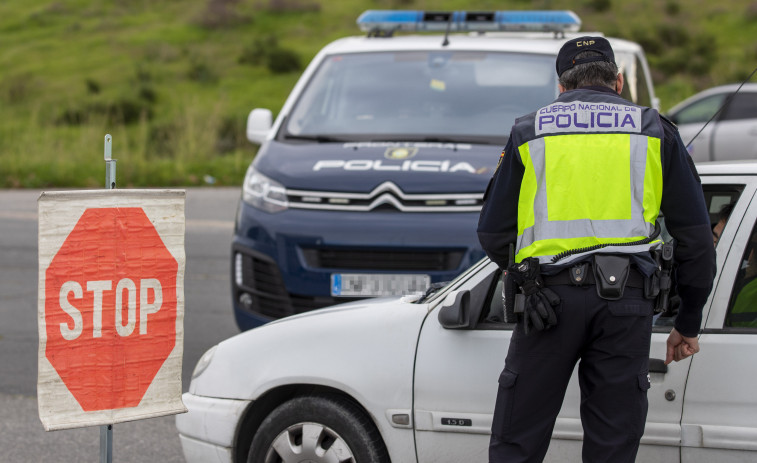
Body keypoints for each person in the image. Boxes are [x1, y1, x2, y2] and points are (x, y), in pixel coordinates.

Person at [477, 36, 716, 463]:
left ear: (561, 89)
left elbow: (493, 232)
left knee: (518, 441)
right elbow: (697, 240)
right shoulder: (655, 129)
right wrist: (689, 320)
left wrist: (525, 280)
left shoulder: (530, 130)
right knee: (612, 445)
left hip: (546, 303)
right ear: (619, 82)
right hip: (627, 305)